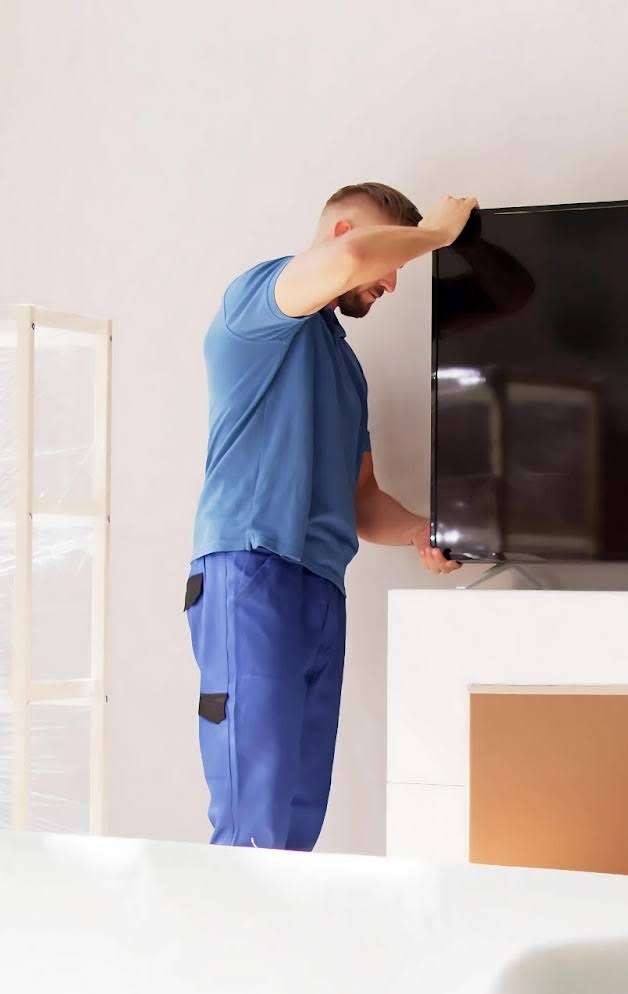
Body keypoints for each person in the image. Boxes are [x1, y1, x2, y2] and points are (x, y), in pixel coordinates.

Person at [185, 183, 476, 849]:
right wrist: (435, 235)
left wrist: (422, 531)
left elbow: (362, 499)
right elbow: (348, 263)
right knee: (252, 819)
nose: (392, 282)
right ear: (344, 230)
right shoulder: (258, 303)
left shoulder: (345, 368)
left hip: (319, 587)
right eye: (390, 263)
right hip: (251, 573)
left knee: (297, 820)